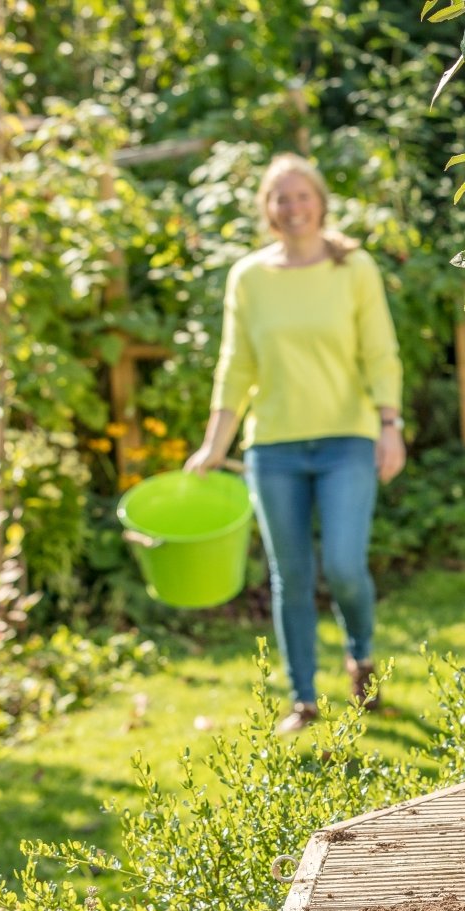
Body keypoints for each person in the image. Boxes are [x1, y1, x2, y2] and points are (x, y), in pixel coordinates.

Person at [185, 153, 406, 734]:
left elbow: (379, 350)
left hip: (347, 439)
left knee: (344, 565)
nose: (293, 207)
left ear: (320, 201)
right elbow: (235, 366)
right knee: (291, 575)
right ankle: (302, 698)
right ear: (268, 209)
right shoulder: (249, 277)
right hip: (273, 447)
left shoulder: (352, 267)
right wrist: (214, 445)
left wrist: (391, 425)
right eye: (281, 198)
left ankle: (361, 655)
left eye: (302, 195)